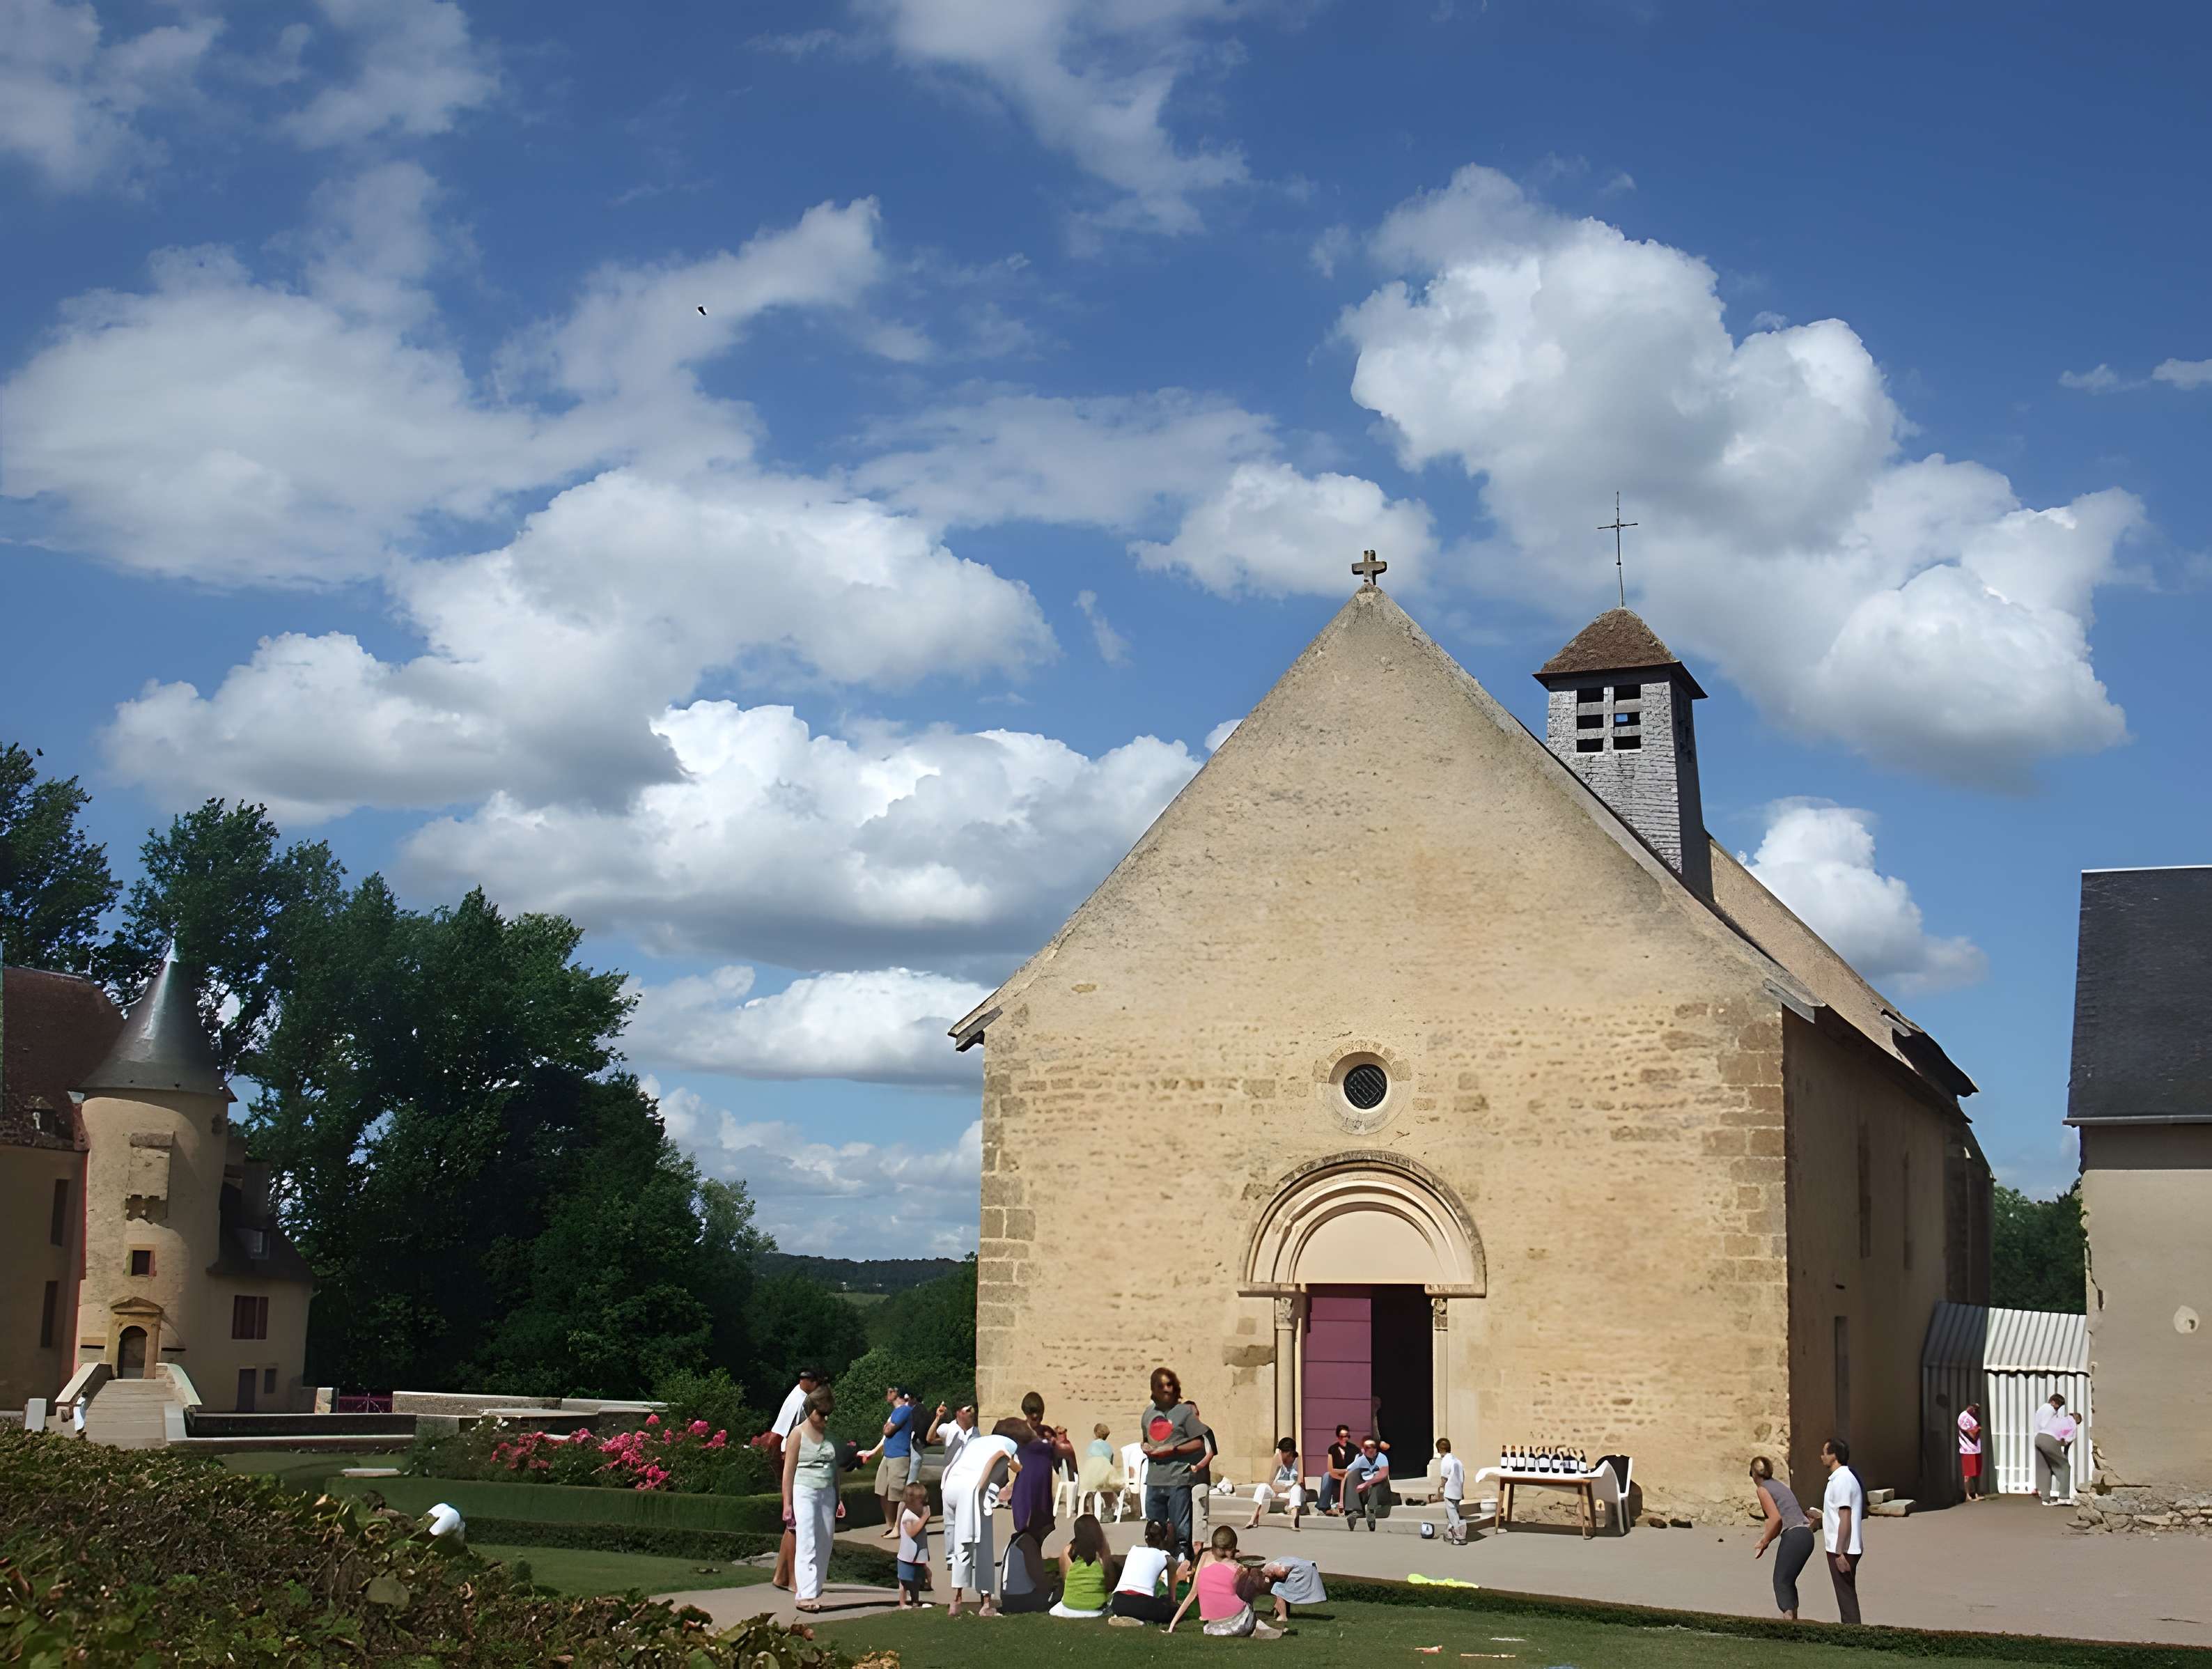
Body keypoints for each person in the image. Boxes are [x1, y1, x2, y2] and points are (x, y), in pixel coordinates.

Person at [943, 1415, 1025, 1618]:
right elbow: (1007, 1461)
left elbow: (954, 1461)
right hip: (970, 1490)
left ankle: (959, 1598)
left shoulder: (977, 1442)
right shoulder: (1008, 1445)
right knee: (981, 1545)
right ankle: (979, 1602)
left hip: (950, 1487)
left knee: (958, 1541)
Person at [779, 1388, 847, 1613]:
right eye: (821, 1414)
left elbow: (835, 1470)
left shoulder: (830, 1436)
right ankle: (805, 1595)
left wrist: (839, 1498)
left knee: (825, 1542)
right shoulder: (797, 1434)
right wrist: (787, 1504)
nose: (825, 1419)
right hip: (804, 1490)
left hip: (827, 1491)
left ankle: (815, 1590)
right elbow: (788, 1471)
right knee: (807, 1540)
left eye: (828, 1414)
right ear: (811, 1411)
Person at [763, 1366, 823, 1591]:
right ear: (809, 1381)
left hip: (793, 1459)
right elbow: (778, 1435)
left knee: (793, 1524)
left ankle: (781, 1575)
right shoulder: (799, 1401)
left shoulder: (800, 1397)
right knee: (795, 1525)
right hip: (794, 1461)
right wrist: (777, 1470)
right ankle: (794, 1580)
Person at [1140, 1367, 1208, 1561]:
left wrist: (1174, 1449)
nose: (1166, 1389)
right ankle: (1158, 1568)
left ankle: (1181, 1569)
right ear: (1153, 1389)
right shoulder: (1147, 1414)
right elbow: (1146, 1440)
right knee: (1154, 1531)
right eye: (1160, 1386)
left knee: (1180, 1532)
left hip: (1178, 1479)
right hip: (1154, 1480)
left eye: (1169, 1385)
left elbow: (1199, 1442)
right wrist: (1144, 1446)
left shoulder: (1184, 1413)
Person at [1167, 1525, 1282, 1639]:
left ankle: (1258, 1626)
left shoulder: (1204, 1557)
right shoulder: (1236, 1566)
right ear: (1232, 1547)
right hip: (1240, 1624)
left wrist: (1172, 1625)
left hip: (1214, 1628)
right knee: (1247, 1594)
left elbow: (1193, 1594)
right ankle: (1258, 1625)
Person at [1750, 1455, 1814, 1621]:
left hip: (1794, 1535)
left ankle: (1788, 1621)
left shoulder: (1762, 1489)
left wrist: (1764, 1541)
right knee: (1788, 1580)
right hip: (1806, 1535)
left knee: (1781, 1581)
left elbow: (1775, 1519)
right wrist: (1767, 1538)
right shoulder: (1779, 1485)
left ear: (1754, 1474)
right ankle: (1793, 1621)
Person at [857, 1385, 917, 1540]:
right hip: (889, 1455)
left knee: (897, 1493)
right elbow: (886, 1432)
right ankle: (890, 1526)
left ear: (897, 1393)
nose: (887, 1394)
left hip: (899, 1455)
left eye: (890, 1391)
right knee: (882, 1489)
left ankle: (898, 1527)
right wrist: (873, 1451)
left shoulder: (904, 1410)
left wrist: (887, 1428)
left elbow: (888, 1431)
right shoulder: (896, 1412)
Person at [1013, 1391, 1075, 1539]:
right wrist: (1016, 1468)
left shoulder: (1048, 1431)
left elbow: (1062, 1453)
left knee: (1041, 1529)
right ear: (1026, 1413)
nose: (1036, 1418)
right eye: (1032, 1414)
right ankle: (1022, 1561)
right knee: (1025, 1530)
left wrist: (1056, 1444)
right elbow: (1003, 1454)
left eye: (1039, 1414)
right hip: (1026, 1486)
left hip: (1043, 1487)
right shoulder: (1019, 1431)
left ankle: (1035, 1560)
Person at [1819, 1437, 1866, 1626]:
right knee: (1845, 1594)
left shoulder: (1843, 1479)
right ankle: (1851, 1629)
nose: (1821, 1456)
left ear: (1834, 1456)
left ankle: (1853, 1632)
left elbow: (1845, 1515)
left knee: (1845, 1595)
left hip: (1844, 1549)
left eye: (1824, 1452)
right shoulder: (1840, 1478)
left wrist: (1839, 1552)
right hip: (1843, 1546)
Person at [1107, 1518, 1179, 1627]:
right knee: (1174, 1609)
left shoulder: (1134, 1549)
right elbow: (1172, 1596)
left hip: (1118, 1603)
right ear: (1165, 1538)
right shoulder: (1167, 1557)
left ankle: (1126, 1617)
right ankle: (1139, 1619)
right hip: (1141, 1604)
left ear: (1146, 1538)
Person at [1050, 1512, 1114, 1619]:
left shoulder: (1068, 1551)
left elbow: (1066, 1580)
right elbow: (1110, 1583)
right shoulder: (1102, 1553)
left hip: (1069, 1606)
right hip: (1095, 1608)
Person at [1248, 1436, 1305, 1530]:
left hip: (1293, 1491)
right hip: (1278, 1489)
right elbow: (1270, 1482)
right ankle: (1254, 1517)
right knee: (1262, 1487)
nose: (1280, 1453)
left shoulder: (1298, 1459)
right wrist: (1281, 1489)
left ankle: (1294, 1519)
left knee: (1297, 1489)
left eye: (1282, 1452)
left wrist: (1288, 1488)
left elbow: (1300, 1481)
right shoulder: (1277, 1458)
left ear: (1290, 1452)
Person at [895, 1482, 931, 1610]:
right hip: (907, 1556)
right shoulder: (908, 1515)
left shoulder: (917, 1514)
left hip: (918, 1556)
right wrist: (924, 1518)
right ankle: (902, 1603)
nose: (924, 1503)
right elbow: (912, 1532)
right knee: (904, 1582)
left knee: (916, 1581)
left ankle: (915, 1601)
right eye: (921, 1501)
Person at [1343, 1436, 1392, 1530]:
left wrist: (1366, 1484)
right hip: (1365, 1492)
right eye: (1367, 1448)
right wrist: (1342, 1501)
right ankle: (1355, 1511)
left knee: (1378, 1479)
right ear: (1363, 1449)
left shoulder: (1381, 1457)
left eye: (1373, 1447)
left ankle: (1371, 1512)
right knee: (1352, 1475)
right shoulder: (1359, 1459)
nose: (1371, 1450)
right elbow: (1347, 1473)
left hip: (1379, 1491)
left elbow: (1383, 1474)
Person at [2035, 1395, 2075, 1505]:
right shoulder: (2050, 1409)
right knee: (2065, 1466)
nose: (2058, 1409)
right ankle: (2064, 1496)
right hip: (2048, 1439)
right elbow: (2066, 1439)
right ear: (2053, 1402)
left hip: (2038, 1438)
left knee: (2045, 1469)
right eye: (2058, 1406)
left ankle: (2045, 1499)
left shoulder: (2041, 1409)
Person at [1262, 1555, 1325, 1624]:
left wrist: (1272, 1579)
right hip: (1308, 1568)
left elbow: (1281, 1573)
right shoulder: (1279, 1562)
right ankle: (1282, 1611)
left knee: (1277, 1589)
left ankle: (1283, 1616)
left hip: (1302, 1571)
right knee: (1282, 1590)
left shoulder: (1275, 1567)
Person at [1187, 1402, 1219, 1532]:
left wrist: (1197, 1467)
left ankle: (1198, 1547)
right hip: (1183, 1482)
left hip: (1200, 1480)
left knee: (1200, 1517)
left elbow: (1210, 1453)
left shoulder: (1205, 1431)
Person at [1437, 1437, 1467, 1544]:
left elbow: (1444, 1478)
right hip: (1458, 1491)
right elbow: (1462, 1477)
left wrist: (1440, 1490)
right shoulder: (1457, 1461)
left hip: (1450, 1491)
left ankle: (1459, 1537)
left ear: (1440, 1450)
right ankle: (1450, 1533)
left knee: (1453, 1515)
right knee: (1456, 1513)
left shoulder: (1445, 1461)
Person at [1319, 1425, 1355, 1515]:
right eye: (1342, 1436)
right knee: (1327, 1475)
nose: (1345, 1439)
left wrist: (1346, 1473)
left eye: (1347, 1436)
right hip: (1337, 1476)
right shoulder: (1332, 1449)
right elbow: (1331, 1469)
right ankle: (1324, 1506)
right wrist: (1344, 1472)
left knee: (1349, 1475)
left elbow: (1355, 1468)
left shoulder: (1354, 1449)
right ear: (1338, 1437)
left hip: (1350, 1476)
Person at [1957, 1402, 1985, 1503]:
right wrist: (1977, 1429)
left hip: (1976, 1449)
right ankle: (1968, 1495)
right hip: (1967, 1449)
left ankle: (1976, 1493)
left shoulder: (1975, 1417)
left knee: (1977, 1472)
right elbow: (1972, 1433)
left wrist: (1977, 1429)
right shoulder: (1964, 1417)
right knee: (1967, 1474)